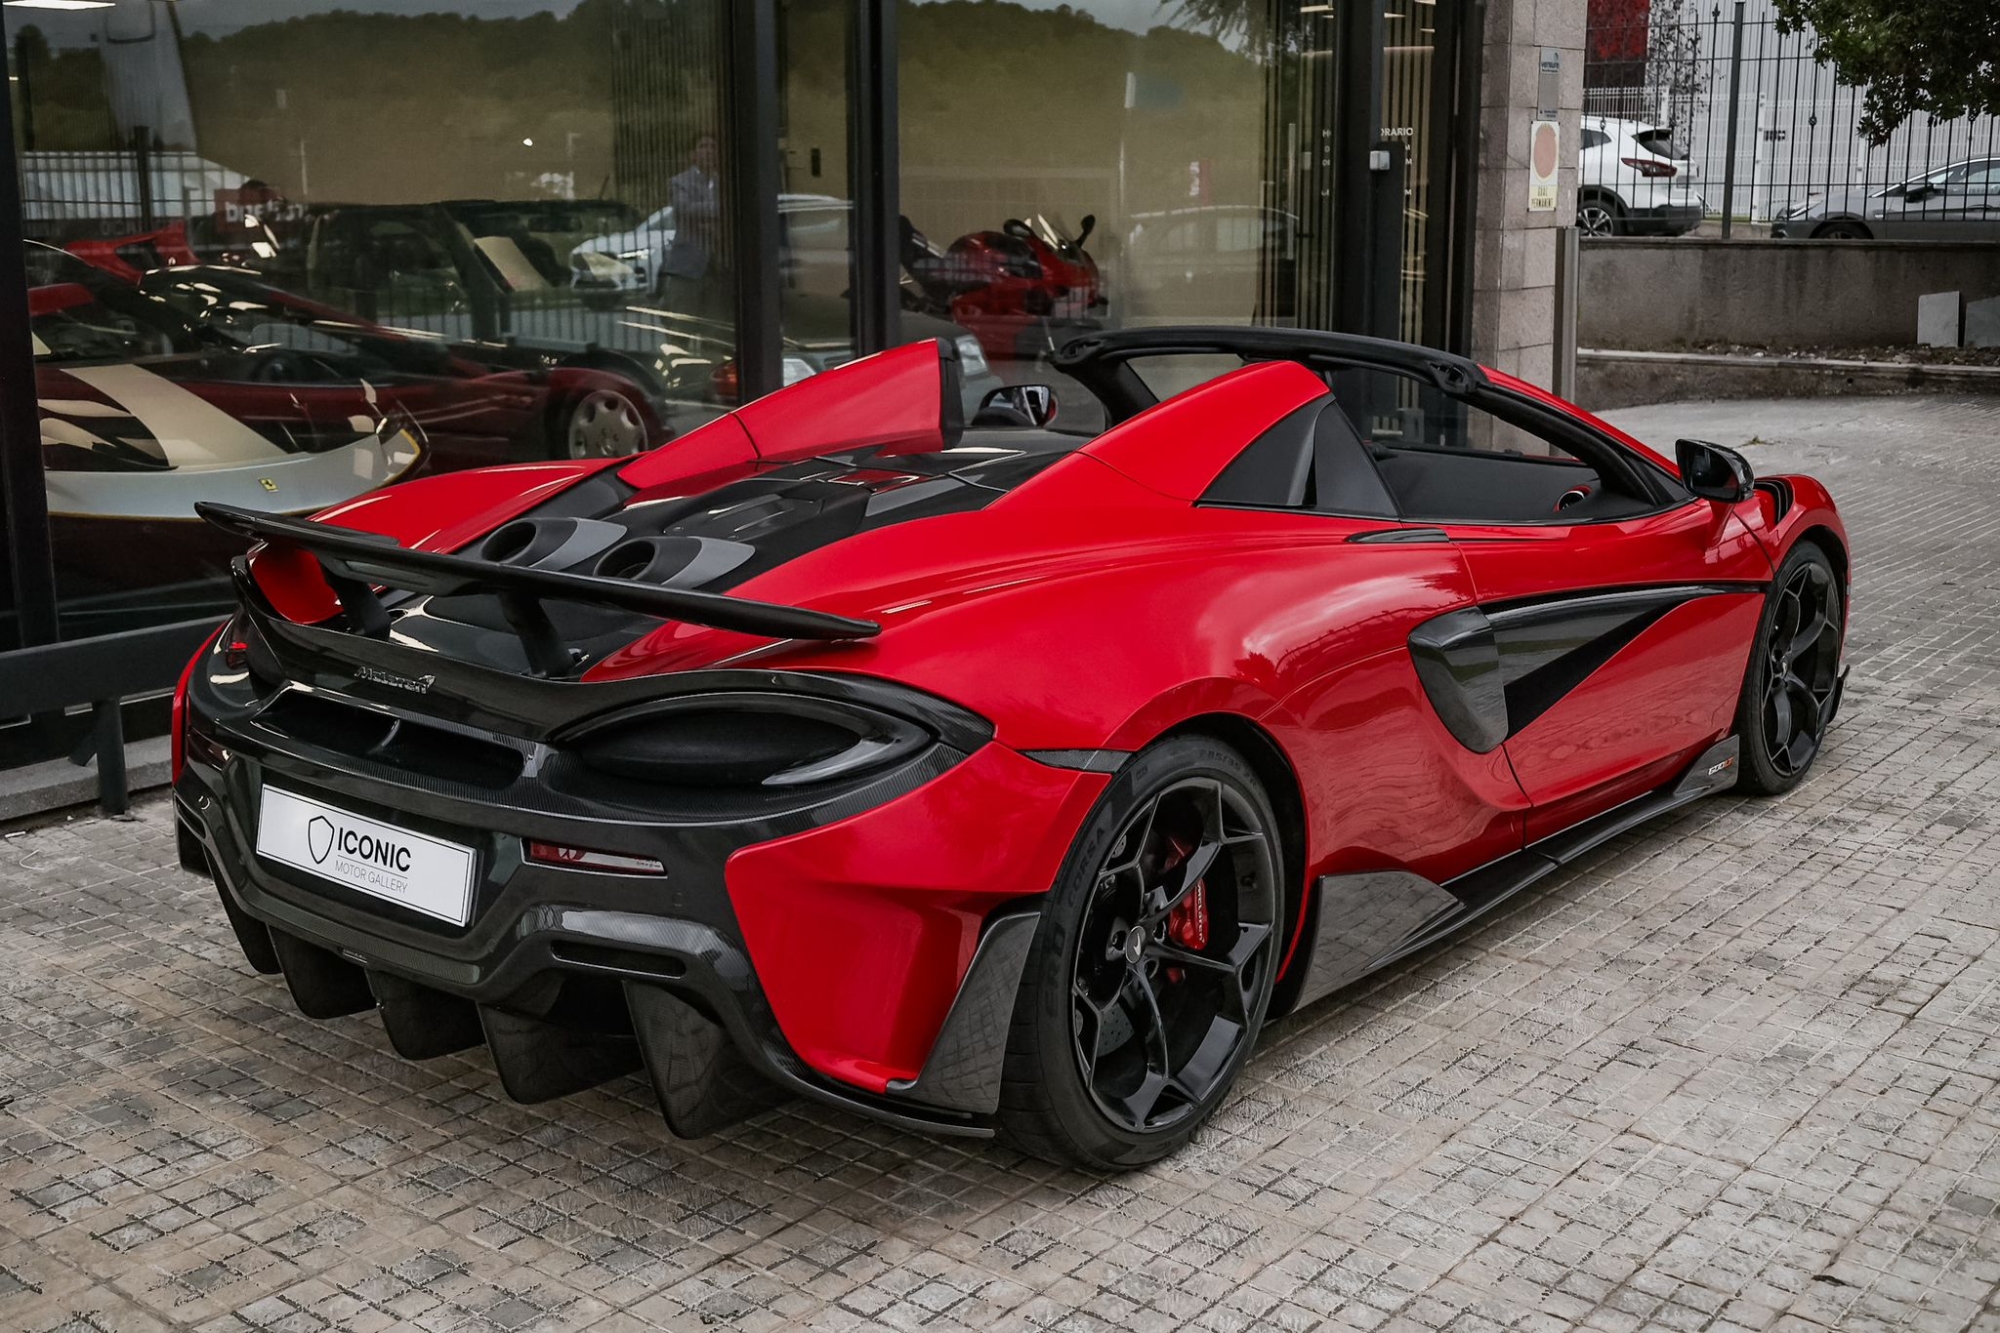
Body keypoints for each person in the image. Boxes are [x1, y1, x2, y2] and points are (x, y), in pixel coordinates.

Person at [661, 134, 729, 321]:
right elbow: (685, 209)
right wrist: (720, 210)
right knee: (683, 326)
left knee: (715, 330)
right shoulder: (679, 182)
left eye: (713, 147)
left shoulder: (726, 183)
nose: (709, 151)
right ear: (693, 154)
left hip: (718, 268)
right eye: (703, 146)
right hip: (687, 267)